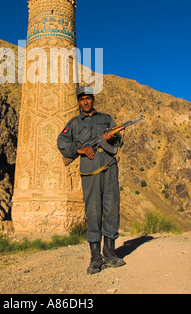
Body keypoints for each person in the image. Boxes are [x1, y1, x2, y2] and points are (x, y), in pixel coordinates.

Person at [57, 85, 126, 274]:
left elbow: (118, 137)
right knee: (93, 210)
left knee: (112, 207)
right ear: (79, 102)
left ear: (93, 99)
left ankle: (110, 252)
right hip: (90, 170)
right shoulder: (73, 123)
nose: (86, 101)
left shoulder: (106, 119)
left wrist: (111, 138)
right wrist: (78, 150)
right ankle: (95, 256)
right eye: (82, 99)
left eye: (89, 98)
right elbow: (61, 142)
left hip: (109, 167)